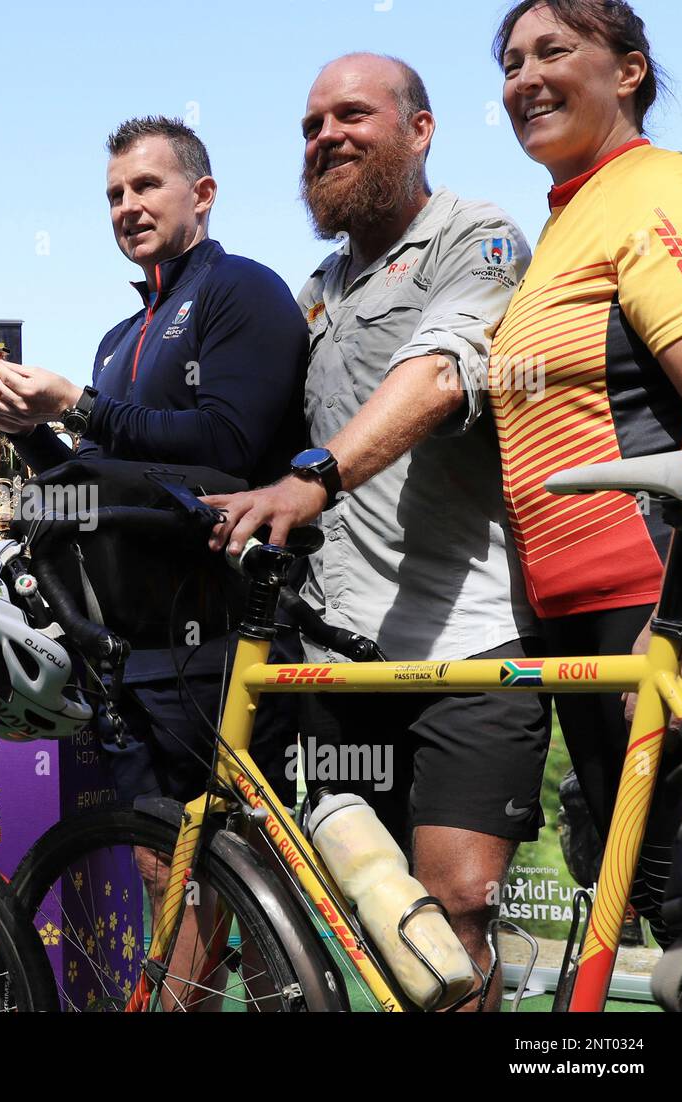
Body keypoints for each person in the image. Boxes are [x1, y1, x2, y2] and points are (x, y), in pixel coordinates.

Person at [206, 54, 549, 1009]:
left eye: (351, 114)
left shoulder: (477, 237)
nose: (325, 138)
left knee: (454, 912)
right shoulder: (317, 288)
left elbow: (441, 372)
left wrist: (314, 479)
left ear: (422, 129)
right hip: (339, 662)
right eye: (311, 126)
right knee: (374, 917)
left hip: (467, 648)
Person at [0, 115, 307, 809]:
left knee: (234, 855)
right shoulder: (118, 336)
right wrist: (26, 431)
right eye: (115, 195)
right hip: (123, 649)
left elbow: (229, 445)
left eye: (147, 185)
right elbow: (94, 484)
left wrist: (77, 404)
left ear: (203, 193)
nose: (128, 207)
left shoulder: (243, 289)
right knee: (156, 865)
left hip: (224, 638)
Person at [490, 0, 682, 942]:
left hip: (655, 605)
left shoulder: (657, 188)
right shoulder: (565, 222)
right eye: (510, 60)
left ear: (630, 72)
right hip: (580, 622)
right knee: (657, 909)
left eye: (553, 51)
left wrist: (681, 620)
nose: (524, 76)